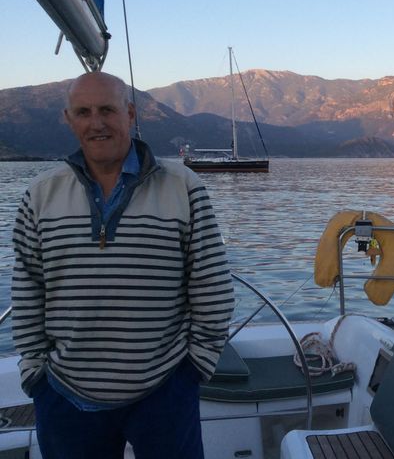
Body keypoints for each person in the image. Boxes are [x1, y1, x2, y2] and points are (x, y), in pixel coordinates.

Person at [11, 71, 235, 458]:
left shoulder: (183, 187)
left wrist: (194, 369)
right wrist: (36, 376)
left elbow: (211, 286)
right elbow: (28, 288)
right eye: (83, 112)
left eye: (107, 110)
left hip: (165, 390)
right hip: (65, 395)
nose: (96, 123)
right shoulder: (40, 195)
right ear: (69, 119)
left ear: (130, 113)